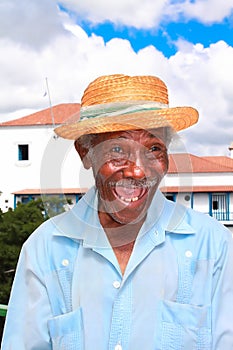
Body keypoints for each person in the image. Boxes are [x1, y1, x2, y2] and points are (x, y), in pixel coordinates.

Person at [2, 74, 233, 350]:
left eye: (154, 149)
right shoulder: (45, 249)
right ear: (85, 154)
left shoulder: (214, 245)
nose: (137, 170)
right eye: (116, 150)